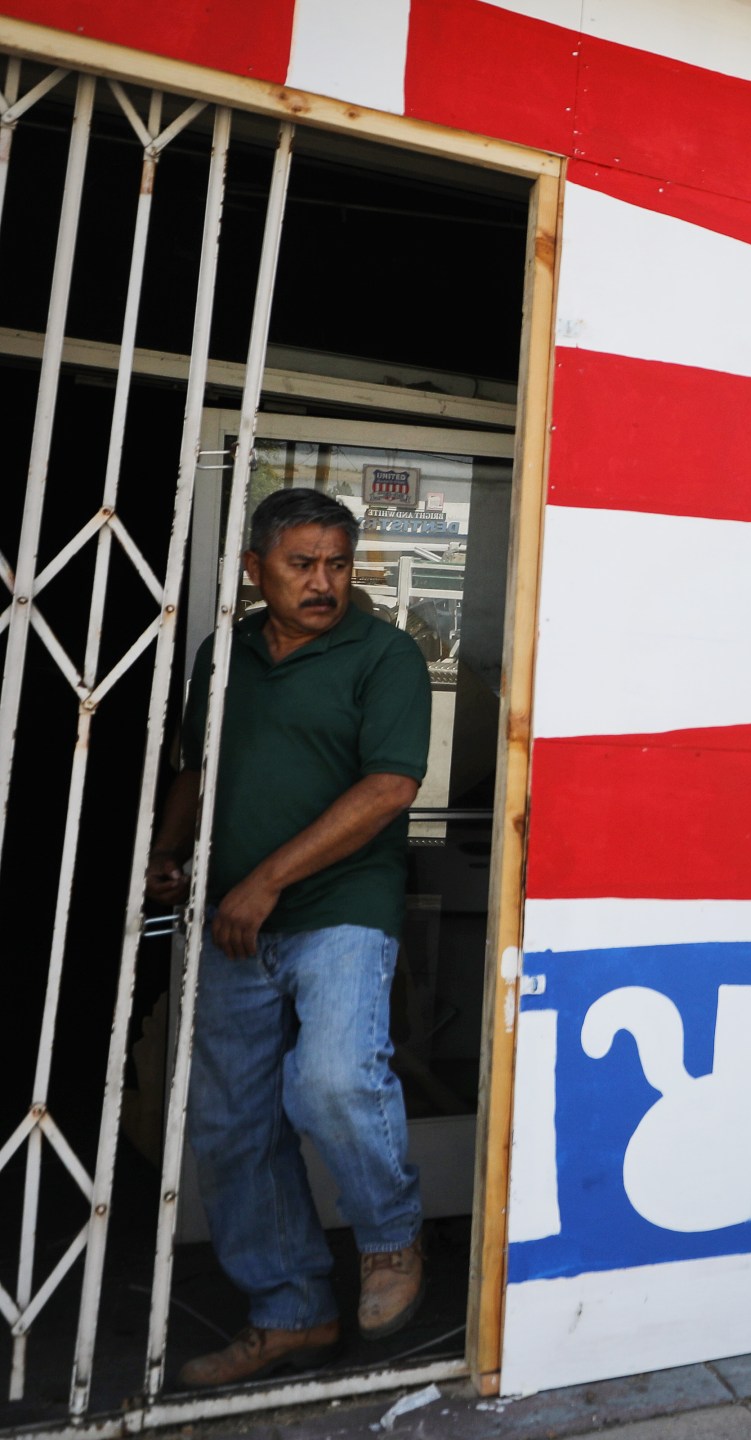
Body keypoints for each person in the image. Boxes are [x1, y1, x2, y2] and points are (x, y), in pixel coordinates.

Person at [146, 487, 432, 1386]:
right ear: (252, 568)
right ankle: (292, 1313)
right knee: (232, 1128)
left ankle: (390, 1239)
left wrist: (267, 880)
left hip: (339, 907)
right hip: (235, 917)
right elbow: (201, 766)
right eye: (302, 564)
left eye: (338, 564)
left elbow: (390, 788)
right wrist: (167, 848)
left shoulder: (383, 655)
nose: (323, 582)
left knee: (334, 1079)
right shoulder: (221, 654)